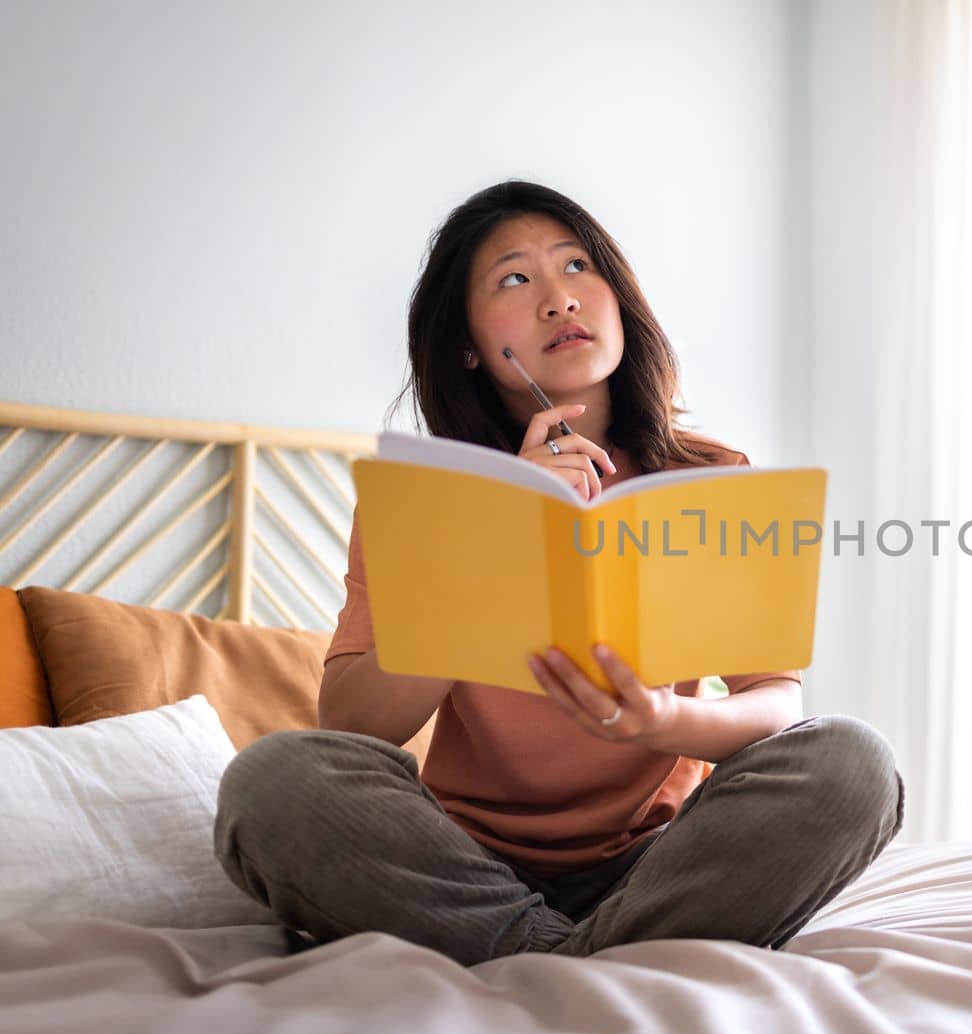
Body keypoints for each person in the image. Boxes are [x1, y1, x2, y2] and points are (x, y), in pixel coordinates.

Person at [213, 180, 905, 967]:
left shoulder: (710, 479)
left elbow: (775, 700)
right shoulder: (427, 503)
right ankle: (587, 959)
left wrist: (661, 723)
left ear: (617, 298)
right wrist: (504, 539)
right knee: (270, 781)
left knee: (853, 762)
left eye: (577, 266)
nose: (556, 299)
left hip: (659, 866)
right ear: (468, 345)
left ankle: (541, 961)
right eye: (514, 278)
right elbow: (351, 723)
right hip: (461, 866)